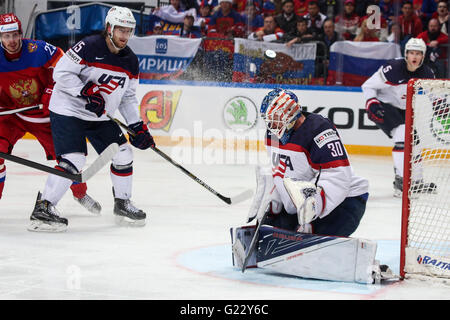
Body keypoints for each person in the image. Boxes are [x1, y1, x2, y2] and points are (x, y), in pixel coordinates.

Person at [29, 6, 155, 232]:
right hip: (68, 110)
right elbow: (61, 73)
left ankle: (122, 203)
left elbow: (127, 97)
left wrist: (137, 126)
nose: (124, 36)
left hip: (99, 116)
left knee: (124, 153)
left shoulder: (131, 61)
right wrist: (85, 90)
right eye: (120, 30)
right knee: (74, 160)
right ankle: (44, 207)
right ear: (109, 28)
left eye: (128, 31)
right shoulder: (88, 46)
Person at [0, 13, 101, 214]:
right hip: (12, 114)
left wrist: (50, 91)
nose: (11, 41)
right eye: (6, 36)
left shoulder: (38, 50)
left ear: (21, 34)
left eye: (14, 35)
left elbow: (65, 66)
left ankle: (80, 194)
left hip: (45, 116)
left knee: (69, 159)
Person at [257, 88, 369, 236]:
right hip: (303, 203)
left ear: (289, 114)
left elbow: (337, 175)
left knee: (310, 241)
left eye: (275, 119)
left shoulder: (319, 130)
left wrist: (314, 206)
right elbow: (280, 171)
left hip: (345, 201)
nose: (272, 126)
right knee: (272, 231)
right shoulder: (273, 134)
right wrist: (274, 198)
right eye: (269, 120)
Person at [361, 38, 437, 197]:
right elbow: (368, 86)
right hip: (383, 106)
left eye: (418, 53)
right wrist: (372, 103)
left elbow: (434, 95)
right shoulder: (392, 69)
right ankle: (401, 181)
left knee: (414, 142)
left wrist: (440, 107)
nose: (414, 57)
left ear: (423, 56)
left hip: (403, 110)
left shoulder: (427, 73)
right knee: (402, 135)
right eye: (411, 53)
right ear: (406, 54)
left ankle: (416, 182)